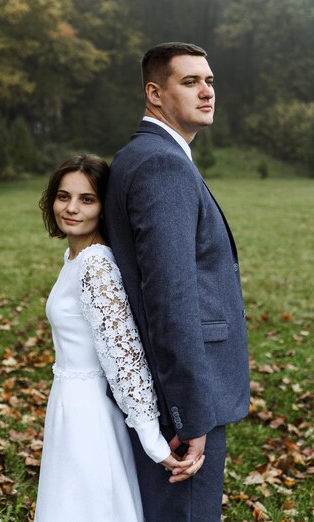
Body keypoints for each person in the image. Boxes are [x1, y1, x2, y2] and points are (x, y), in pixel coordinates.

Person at [105, 42, 250, 521]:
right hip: (181, 400)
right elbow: (169, 299)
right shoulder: (162, 165)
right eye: (190, 82)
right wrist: (191, 412)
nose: (206, 91)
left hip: (167, 390)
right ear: (155, 93)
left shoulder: (145, 155)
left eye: (209, 81)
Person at [34, 153, 203, 522]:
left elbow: (123, 356)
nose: (72, 208)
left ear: (103, 207)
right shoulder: (74, 257)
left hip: (89, 412)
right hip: (68, 401)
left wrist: (154, 442)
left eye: (87, 199)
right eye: (64, 196)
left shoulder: (96, 265)